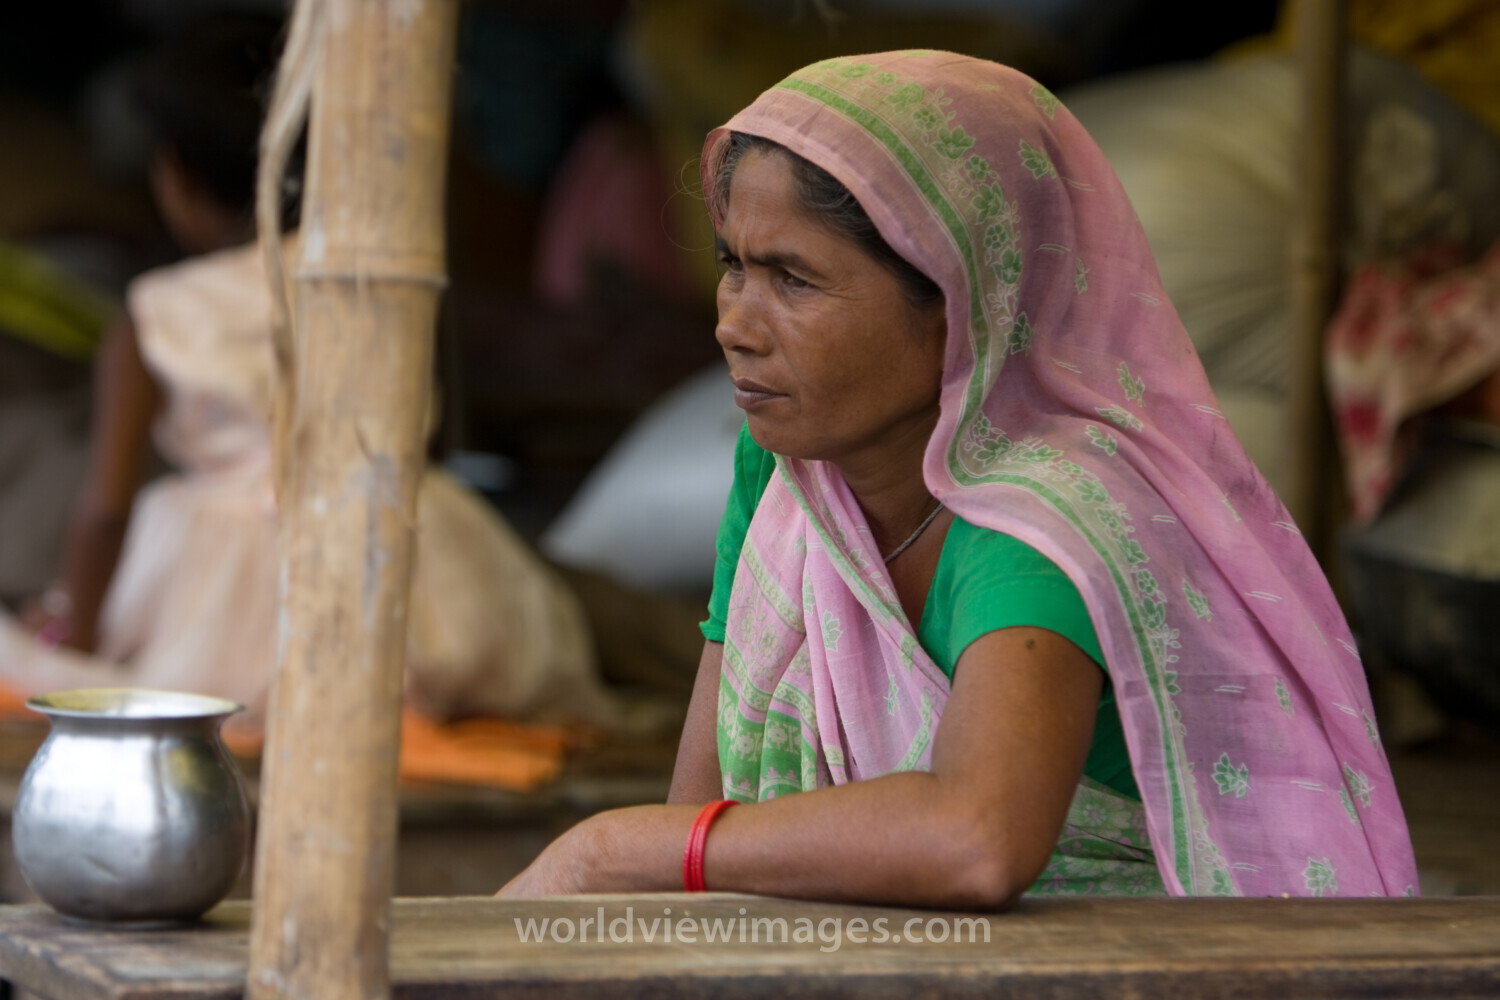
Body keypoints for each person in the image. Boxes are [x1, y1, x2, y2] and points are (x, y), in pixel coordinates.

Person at [498, 50, 1419, 905]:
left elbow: (979, 839)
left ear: (959, 305)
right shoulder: (787, 473)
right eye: (734, 266)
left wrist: (607, 850)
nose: (735, 322)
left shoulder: (1049, 512)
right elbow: (704, 811)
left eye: (794, 279)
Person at [0, 14, 631, 738]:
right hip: (420, 565)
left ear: (174, 175)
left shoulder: (158, 313)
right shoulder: (388, 281)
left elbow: (104, 512)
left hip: (233, 599)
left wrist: (73, 639)